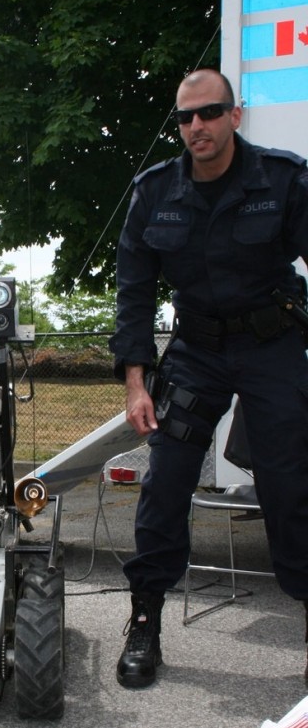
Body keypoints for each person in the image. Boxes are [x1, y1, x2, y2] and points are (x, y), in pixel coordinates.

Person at [109, 68, 308, 689]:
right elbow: (134, 295)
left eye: (210, 113)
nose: (197, 126)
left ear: (235, 116)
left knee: (290, 484)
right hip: (196, 349)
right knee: (165, 477)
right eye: (186, 117)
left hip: (273, 344)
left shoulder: (283, 180)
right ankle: (146, 618)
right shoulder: (154, 192)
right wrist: (137, 384)